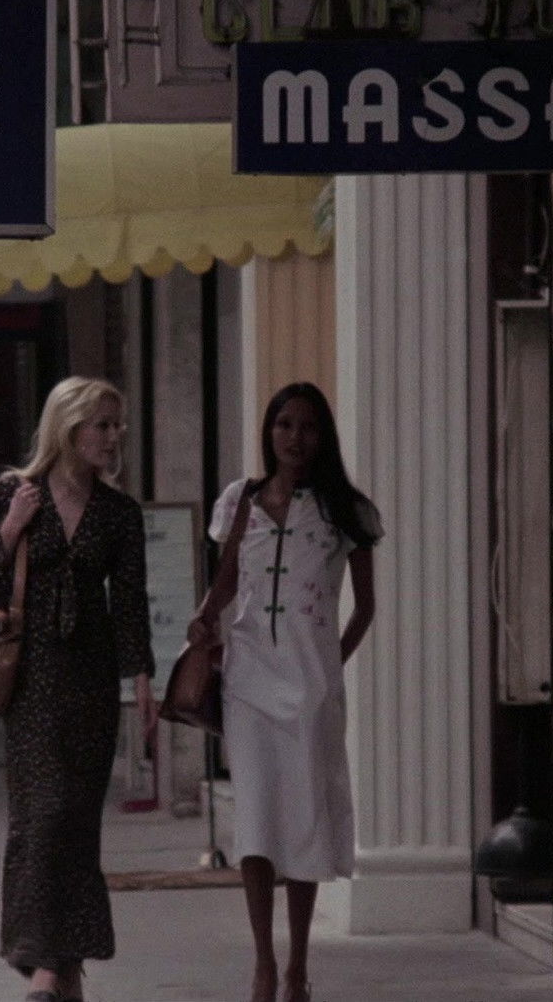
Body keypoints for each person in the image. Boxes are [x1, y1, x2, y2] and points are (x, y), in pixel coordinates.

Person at [187, 382, 381, 1002]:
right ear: (269, 432)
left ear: (323, 437)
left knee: (304, 821)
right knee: (255, 820)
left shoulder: (345, 511)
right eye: (284, 425)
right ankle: (263, 963)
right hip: (247, 683)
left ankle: (298, 963)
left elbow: (365, 608)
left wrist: (329, 666)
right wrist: (204, 618)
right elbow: (225, 582)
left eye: (308, 427)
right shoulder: (238, 501)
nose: (295, 438)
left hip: (310, 690)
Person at [0, 376, 154, 1002]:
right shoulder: (14, 493)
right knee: (40, 818)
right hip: (32, 679)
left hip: (91, 681)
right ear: (69, 428)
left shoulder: (119, 513)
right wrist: (11, 528)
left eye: (117, 424)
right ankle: (47, 965)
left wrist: (142, 676)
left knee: (76, 822)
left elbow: (129, 603)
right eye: (102, 424)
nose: (113, 435)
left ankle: (62, 972)